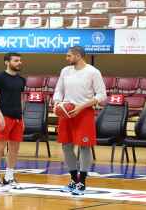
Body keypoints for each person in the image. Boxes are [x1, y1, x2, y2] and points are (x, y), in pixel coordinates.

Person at [53, 46, 107, 195]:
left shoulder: (93, 72)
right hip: (67, 112)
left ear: (78, 56)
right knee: (66, 146)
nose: (66, 58)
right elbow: (59, 90)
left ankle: (82, 182)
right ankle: (73, 180)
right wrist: (57, 102)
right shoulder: (65, 71)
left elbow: (102, 95)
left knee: (84, 146)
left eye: (69, 56)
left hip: (84, 112)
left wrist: (82, 106)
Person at [0, 52, 26, 191]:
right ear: (7, 62)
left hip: (17, 118)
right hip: (3, 117)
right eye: (16, 60)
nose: (19, 62)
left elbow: (19, 100)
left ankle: (9, 178)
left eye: (20, 60)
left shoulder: (22, 80)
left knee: (14, 149)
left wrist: (22, 118)